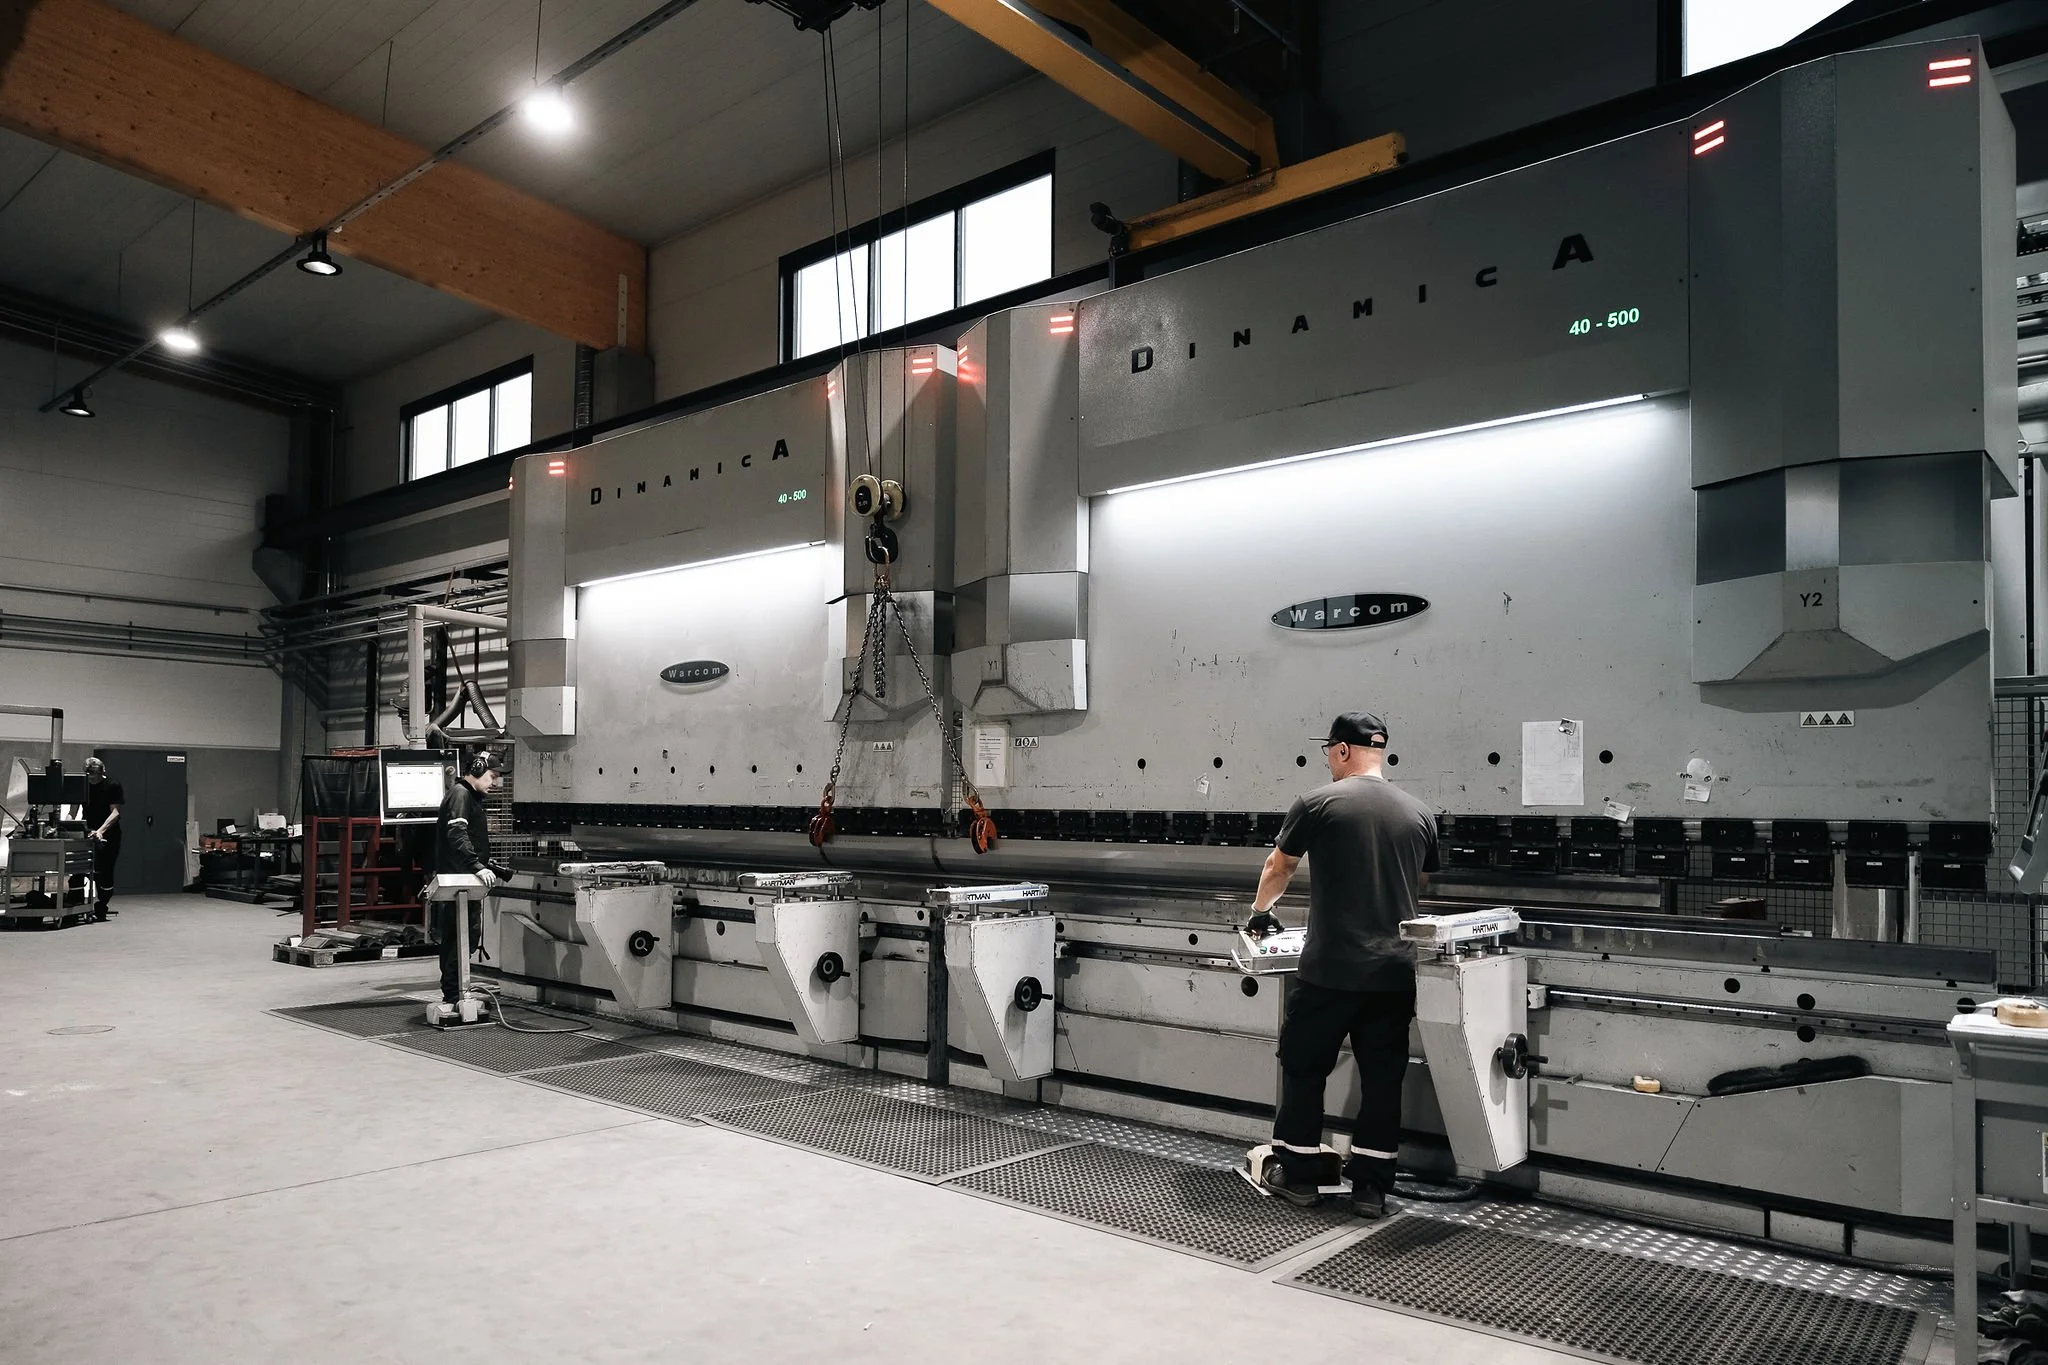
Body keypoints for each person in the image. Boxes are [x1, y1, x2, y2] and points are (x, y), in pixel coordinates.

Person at [1245, 711, 1439, 1219]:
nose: (1328, 760)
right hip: (1394, 972)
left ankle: (1300, 1177)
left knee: (1305, 1068)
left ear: (1344, 751)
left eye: (1329, 751)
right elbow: (1419, 881)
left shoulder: (1318, 802)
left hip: (1330, 970)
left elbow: (1279, 865)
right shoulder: (1420, 813)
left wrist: (1260, 912)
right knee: (1382, 1079)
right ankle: (1371, 1188)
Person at [431, 751, 503, 1007]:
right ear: (478, 769)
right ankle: (454, 995)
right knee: (460, 937)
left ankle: (457, 993)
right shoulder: (461, 795)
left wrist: (483, 864)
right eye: (492, 776)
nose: (495, 783)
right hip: (458, 881)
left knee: (463, 936)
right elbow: (457, 834)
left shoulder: (469, 797)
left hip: (464, 879)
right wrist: (476, 865)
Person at [83, 757, 123, 920]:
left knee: (105, 872)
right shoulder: (83, 785)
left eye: (94, 774)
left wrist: (100, 831)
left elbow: (115, 813)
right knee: (79, 870)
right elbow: (73, 809)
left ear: (102, 772)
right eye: (89, 774)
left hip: (109, 834)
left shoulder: (112, 785)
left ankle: (102, 904)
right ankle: (74, 905)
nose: (92, 777)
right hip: (88, 832)